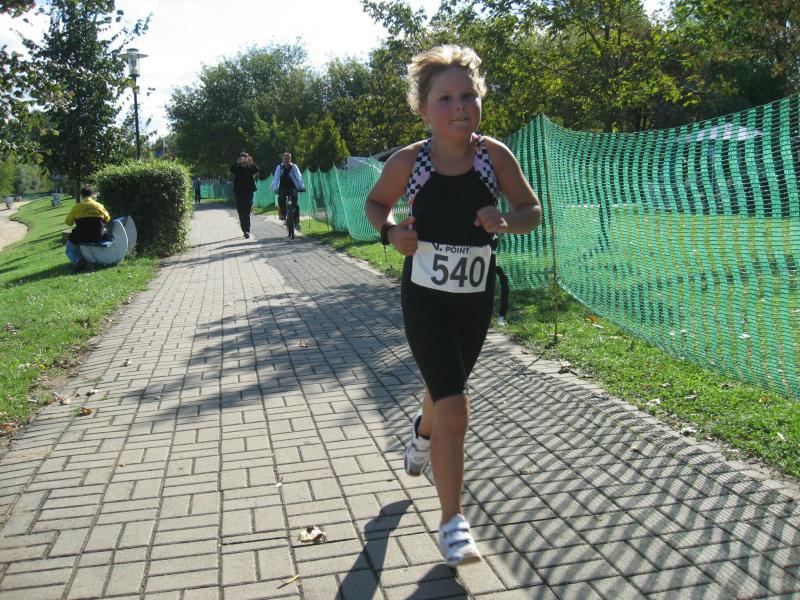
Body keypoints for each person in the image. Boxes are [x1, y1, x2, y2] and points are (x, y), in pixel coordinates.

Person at [364, 45, 542, 567]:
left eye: (468, 95)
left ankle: (422, 435)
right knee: (456, 403)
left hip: (474, 299)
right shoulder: (409, 161)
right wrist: (390, 232)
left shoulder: (494, 157)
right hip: (424, 298)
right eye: (445, 98)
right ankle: (452, 522)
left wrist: (506, 221)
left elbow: (531, 210)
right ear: (423, 109)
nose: (460, 106)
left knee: (444, 392)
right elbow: (376, 204)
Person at [64, 186, 111, 272]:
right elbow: (108, 219)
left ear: (82, 195)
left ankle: (78, 260)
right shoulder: (99, 206)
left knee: (69, 249)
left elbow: (68, 222)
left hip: (81, 237)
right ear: (92, 194)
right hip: (98, 236)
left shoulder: (76, 207)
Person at [230, 152, 260, 238]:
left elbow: (256, 170)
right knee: (241, 212)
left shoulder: (250, 167)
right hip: (238, 193)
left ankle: (247, 230)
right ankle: (244, 229)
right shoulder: (237, 167)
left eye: (245, 157)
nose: (244, 159)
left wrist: (252, 162)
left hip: (248, 193)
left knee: (246, 211)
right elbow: (231, 169)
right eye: (242, 157)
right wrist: (237, 162)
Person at [271, 152, 305, 227]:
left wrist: (302, 187)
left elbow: (299, 176)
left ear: (290, 159)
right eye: (285, 159)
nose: (286, 160)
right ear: (282, 160)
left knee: (295, 205)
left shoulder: (294, 167)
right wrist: (275, 188)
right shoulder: (279, 167)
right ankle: (283, 214)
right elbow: (276, 178)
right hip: (282, 188)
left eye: (288, 159)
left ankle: (296, 222)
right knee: (281, 199)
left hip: (293, 188)